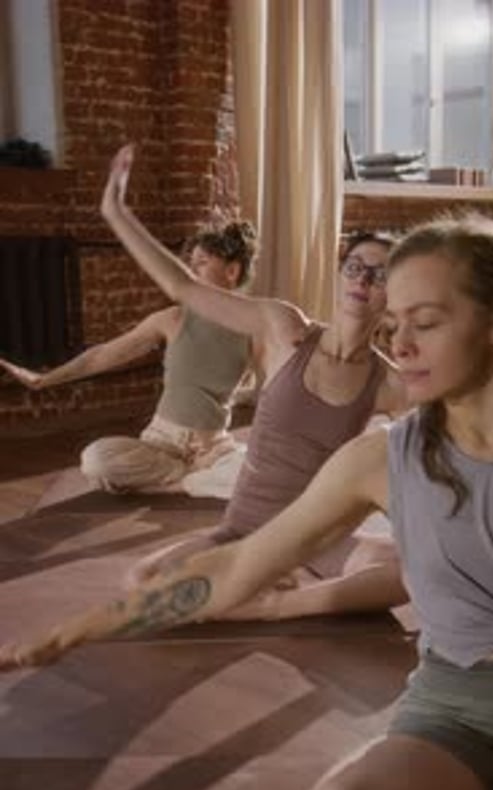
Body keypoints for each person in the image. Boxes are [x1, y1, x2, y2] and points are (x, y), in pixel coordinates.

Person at [1, 212, 493, 790]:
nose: (402, 343)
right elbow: (237, 566)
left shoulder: (384, 398)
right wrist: (79, 629)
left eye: (428, 321)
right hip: (453, 704)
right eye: (396, 323)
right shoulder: (379, 459)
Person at [100, 144, 409, 620]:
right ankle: (264, 586)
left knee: (411, 571)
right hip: (245, 531)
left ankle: (281, 605)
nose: (363, 280)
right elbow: (184, 287)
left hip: (318, 538)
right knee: (142, 583)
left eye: (380, 275)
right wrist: (116, 213)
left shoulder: (389, 382)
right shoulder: (285, 329)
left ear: (394, 294)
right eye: (354, 267)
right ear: (340, 275)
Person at [0, 220, 258, 499]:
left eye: (202, 263)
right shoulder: (173, 319)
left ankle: (175, 482)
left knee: (261, 474)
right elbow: (101, 355)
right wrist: (43, 380)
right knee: (95, 460)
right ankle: (191, 478)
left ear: (232, 271)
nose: (190, 272)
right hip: (162, 443)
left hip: (214, 448)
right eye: (190, 264)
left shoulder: (253, 330)